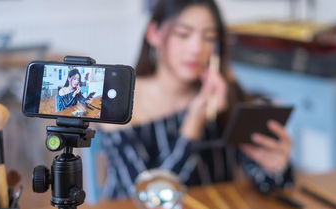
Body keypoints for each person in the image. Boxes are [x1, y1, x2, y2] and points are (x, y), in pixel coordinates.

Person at [101, 0, 293, 198]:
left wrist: (276, 167)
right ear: (154, 33)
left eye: (209, 37)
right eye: (183, 35)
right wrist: (193, 124)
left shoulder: (224, 95)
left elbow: (268, 185)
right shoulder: (117, 101)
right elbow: (149, 198)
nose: (196, 49)